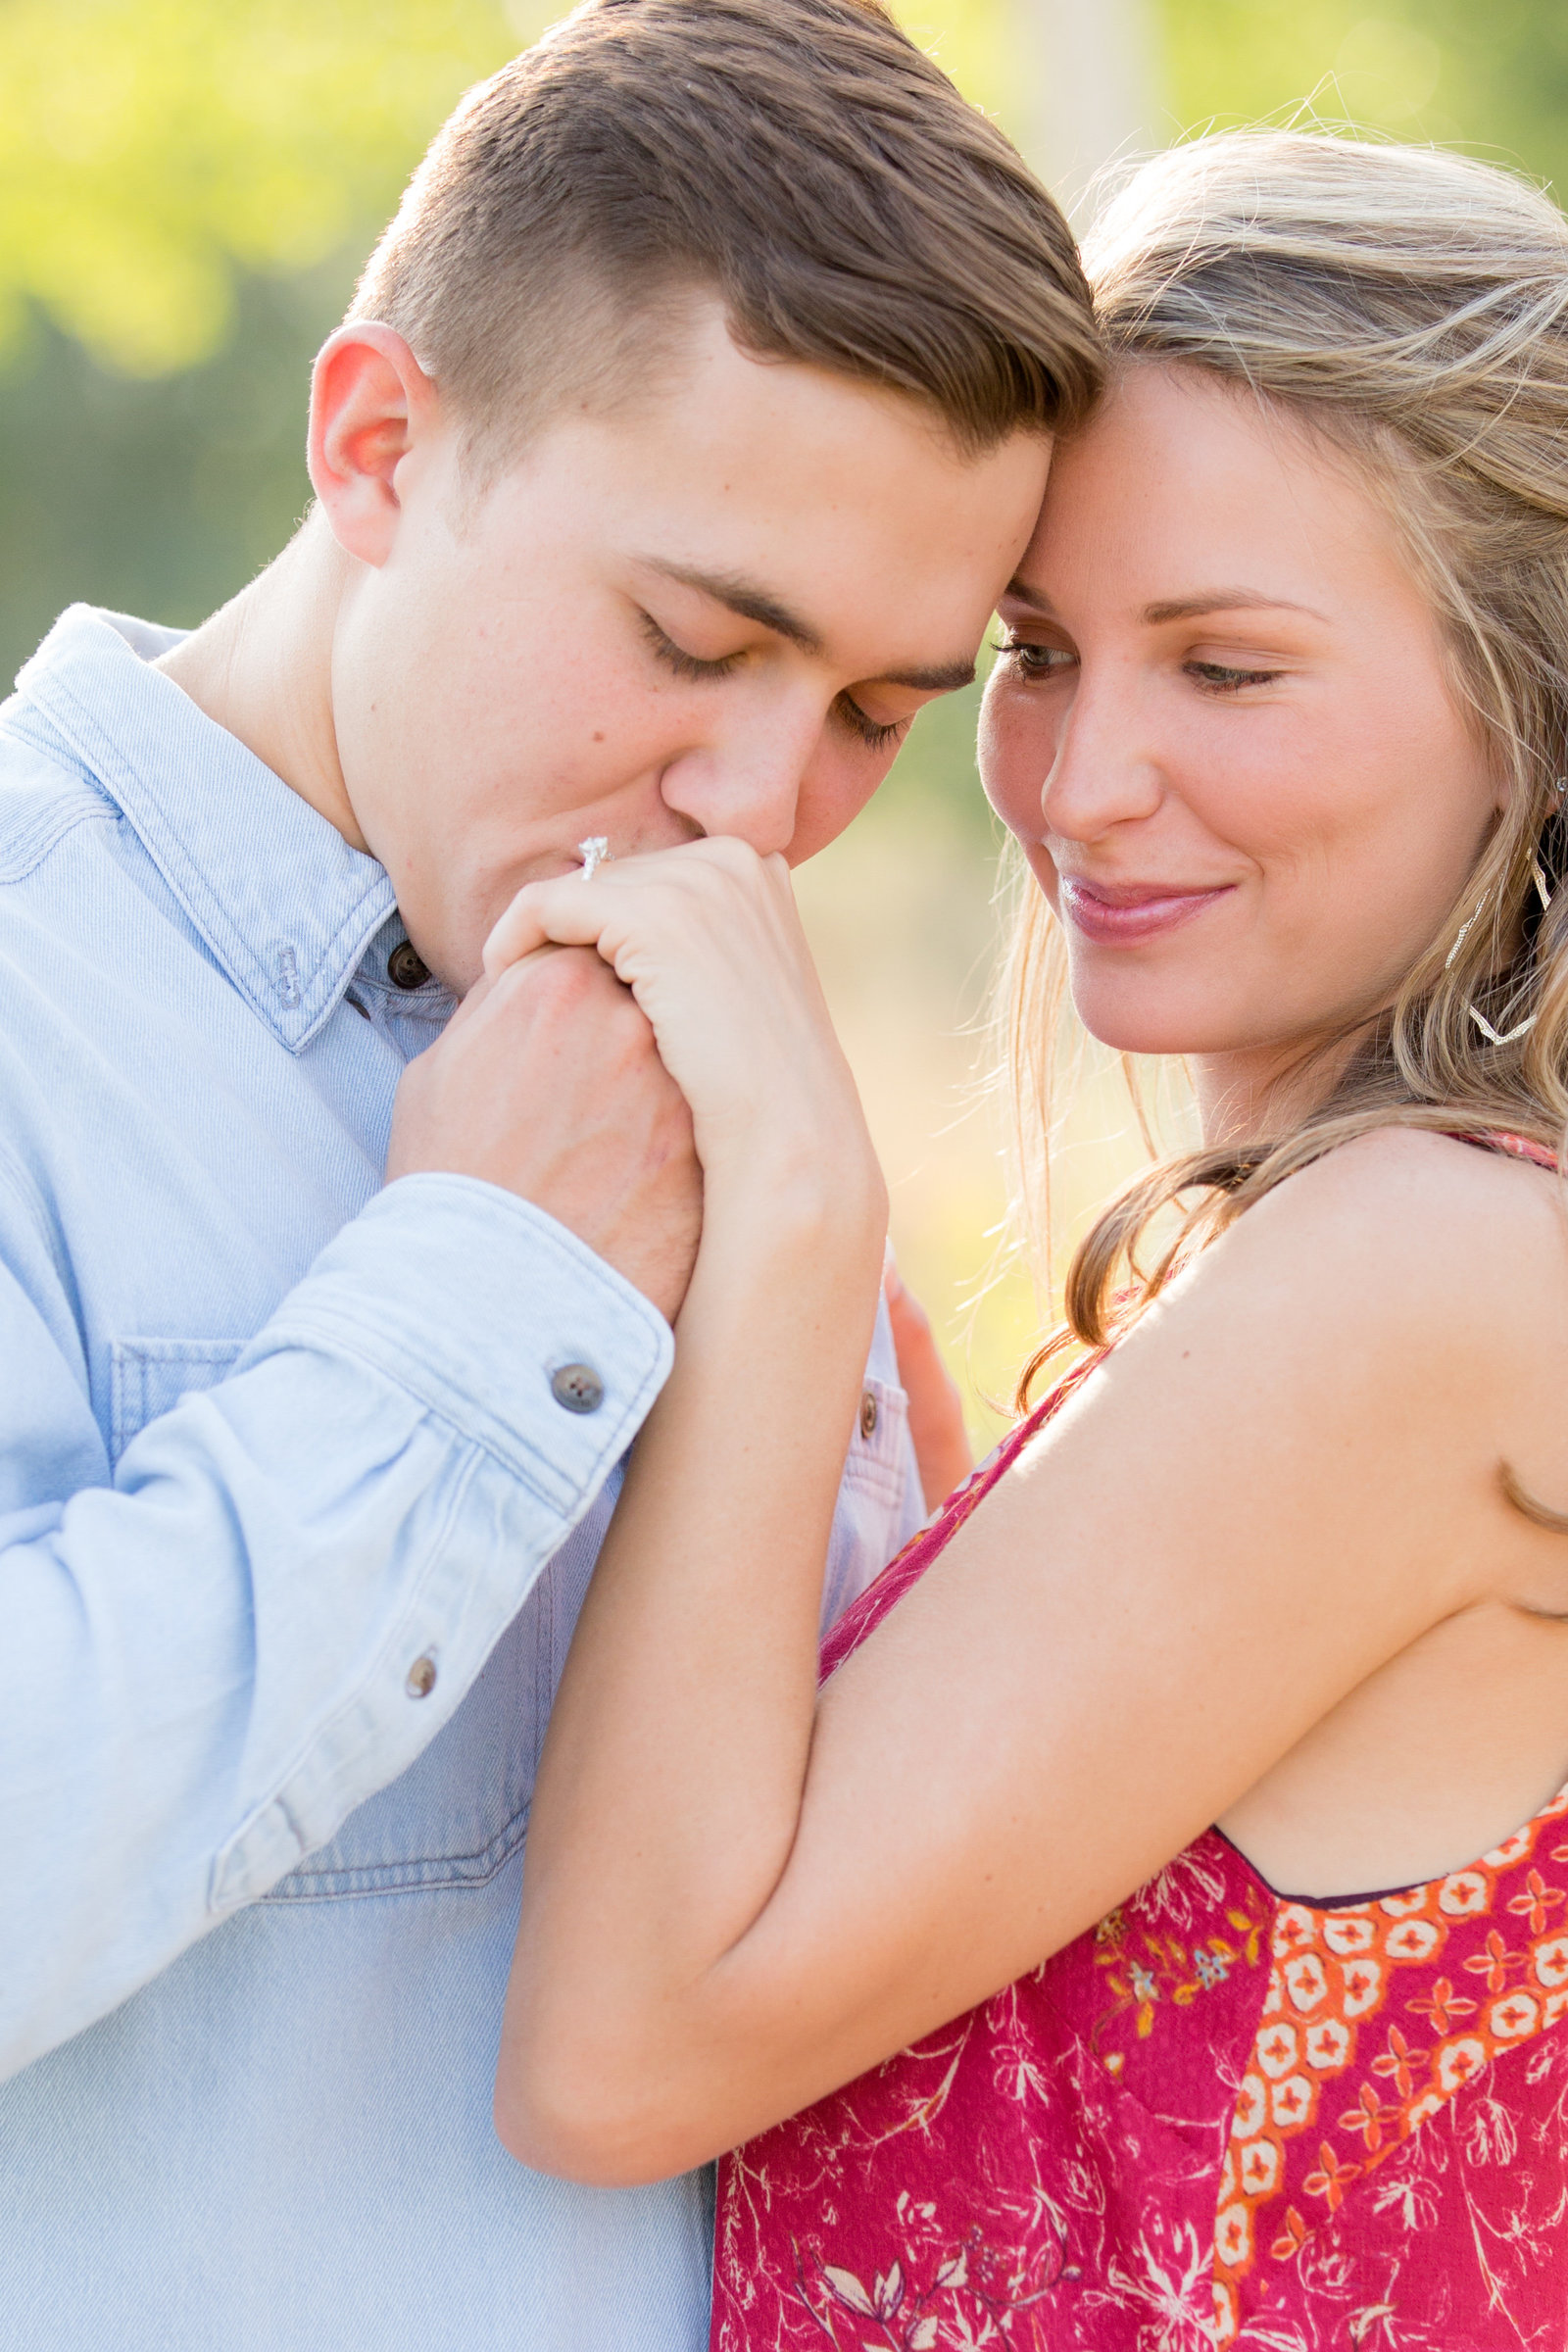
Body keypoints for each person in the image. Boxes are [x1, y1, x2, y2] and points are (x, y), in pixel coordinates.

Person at [0, 4, 1101, 2345]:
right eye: (695, 639)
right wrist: (473, 1300)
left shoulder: (721, 1062)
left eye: (875, 714)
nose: (763, 809)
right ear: (378, 444)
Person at [492, 129, 1568, 2348]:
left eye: (1227, 668)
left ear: (1525, 710)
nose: (1077, 785)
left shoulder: (1423, 1276)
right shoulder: (1384, 1265)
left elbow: (618, 2058)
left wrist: (799, 1212)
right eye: (1038, 652)